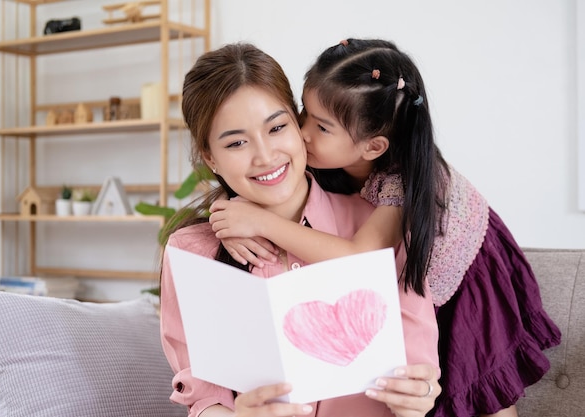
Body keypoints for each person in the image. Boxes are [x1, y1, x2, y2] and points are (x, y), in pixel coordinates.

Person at [208, 39, 562, 417]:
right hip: (415, 276)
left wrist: (263, 222)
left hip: (469, 274)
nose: (303, 132)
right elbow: (263, 184)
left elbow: (359, 258)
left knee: (481, 386)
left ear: (373, 147)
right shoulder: (338, 162)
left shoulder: (401, 184)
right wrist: (226, 206)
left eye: (322, 127)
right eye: (303, 114)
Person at [160, 42, 441, 417]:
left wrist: (418, 395)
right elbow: (202, 396)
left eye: (277, 127)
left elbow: (420, 371)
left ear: (298, 124)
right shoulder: (191, 251)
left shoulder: (378, 227)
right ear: (210, 157)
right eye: (237, 142)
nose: (265, 156)